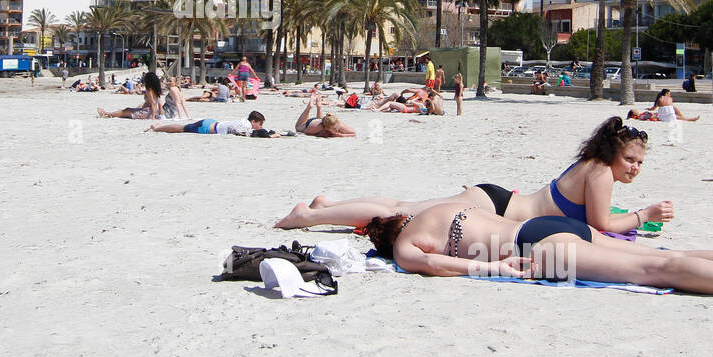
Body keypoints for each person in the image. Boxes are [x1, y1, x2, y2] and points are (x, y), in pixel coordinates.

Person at [358, 204, 713, 310]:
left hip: (536, 249)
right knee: (668, 253)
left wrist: (496, 268)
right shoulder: (436, 208)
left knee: (655, 270)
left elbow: (434, 264)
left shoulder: (403, 246)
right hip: (548, 227)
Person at [273, 117, 675, 236]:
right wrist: (644, 214)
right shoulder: (601, 172)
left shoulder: (593, 164)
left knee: (404, 208)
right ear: (615, 154)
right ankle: (307, 216)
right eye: (631, 159)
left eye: (640, 162)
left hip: (496, 201)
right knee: (401, 213)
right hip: (494, 206)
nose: (635, 168)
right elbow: (601, 225)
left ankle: (328, 207)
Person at [146, 110, 280, 138]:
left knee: (182, 128)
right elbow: (238, 131)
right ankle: (157, 128)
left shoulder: (244, 122)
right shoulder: (246, 125)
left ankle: (158, 127)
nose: (260, 127)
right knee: (181, 129)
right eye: (260, 124)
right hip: (207, 128)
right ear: (254, 121)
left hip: (212, 123)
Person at [97, 72, 163, 119]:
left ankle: (106, 113)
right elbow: (159, 103)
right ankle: (108, 114)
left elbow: (153, 103)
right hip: (150, 112)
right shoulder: (156, 90)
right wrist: (160, 114)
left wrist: (153, 117)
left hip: (147, 112)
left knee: (124, 111)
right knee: (126, 110)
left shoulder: (149, 89)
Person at [628, 89, 700, 122]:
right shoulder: (640, 116)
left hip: (663, 115)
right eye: (669, 93)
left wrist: (650, 110)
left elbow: (654, 108)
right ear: (666, 94)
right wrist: (653, 114)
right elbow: (650, 116)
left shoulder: (659, 99)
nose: (670, 95)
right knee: (676, 113)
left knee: (678, 116)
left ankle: (689, 119)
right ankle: (689, 119)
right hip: (665, 116)